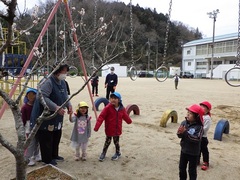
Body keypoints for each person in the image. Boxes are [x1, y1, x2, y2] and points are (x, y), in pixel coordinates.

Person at [30, 63, 73, 166]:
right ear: (57, 71)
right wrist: (56, 107)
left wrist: (69, 105)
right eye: (64, 71)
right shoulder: (47, 81)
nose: (65, 74)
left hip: (57, 116)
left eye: (66, 71)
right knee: (46, 138)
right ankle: (47, 159)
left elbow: (65, 95)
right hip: (46, 116)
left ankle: (54, 155)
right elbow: (42, 97)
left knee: (56, 135)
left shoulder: (62, 82)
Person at [94, 92, 132, 161]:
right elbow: (101, 117)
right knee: (107, 142)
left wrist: (129, 121)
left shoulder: (122, 109)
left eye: (115, 98)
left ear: (119, 100)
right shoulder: (107, 108)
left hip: (117, 129)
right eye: (111, 98)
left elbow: (125, 116)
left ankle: (118, 153)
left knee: (116, 142)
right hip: (109, 129)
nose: (113, 100)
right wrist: (97, 127)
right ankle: (103, 153)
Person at [177, 104, 204, 180]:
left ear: (197, 116)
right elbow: (179, 136)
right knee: (182, 168)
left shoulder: (199, 127)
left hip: (193, 153)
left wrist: (185, 133)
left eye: (191, 113)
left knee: (192, 171)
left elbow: (197, 139)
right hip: (184, 150)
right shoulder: (184, 123)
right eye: (188, 112)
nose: (188, 114)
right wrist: (180, 133)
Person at [21, 88, 41, 166]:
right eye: (29, 95)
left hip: (37, 124)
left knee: (37, 141)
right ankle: (27, 158)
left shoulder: (37, 106)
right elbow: (23, 119)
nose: (31, 97)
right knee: (31, 142)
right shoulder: (25, 107)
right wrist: (22, 128)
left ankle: (36, 155)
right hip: (29, 126)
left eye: (33, 95)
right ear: (27, 96)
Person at [198, 101, 212, 171]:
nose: (202, 108)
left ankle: (205, 162)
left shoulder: (207, 118)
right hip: (197, 136)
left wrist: (198, 129)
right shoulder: (199, 115)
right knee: (197, 149)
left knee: (204, 150)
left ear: (208, 110)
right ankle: (197, 160)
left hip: (203, 137)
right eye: (201, 107)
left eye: (204, 107)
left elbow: (205, 128)